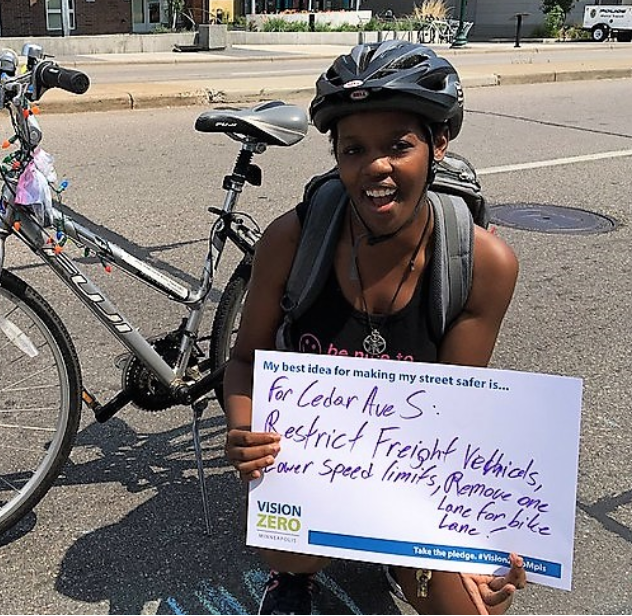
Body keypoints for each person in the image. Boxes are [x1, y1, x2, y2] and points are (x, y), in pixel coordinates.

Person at [223, 40, 526, 615]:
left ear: (438, 144)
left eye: (399, 146)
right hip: (316, 460)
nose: (376, 167)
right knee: (290, 548)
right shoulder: (293, 240)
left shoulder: (482, 264)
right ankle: (292, 578)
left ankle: (397, 548)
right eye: (354, 148)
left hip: (412, 464)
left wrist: (472, 552)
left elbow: (455, 420)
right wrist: (245, 433)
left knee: (471, 609)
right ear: (335, 155)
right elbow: (244, 362)